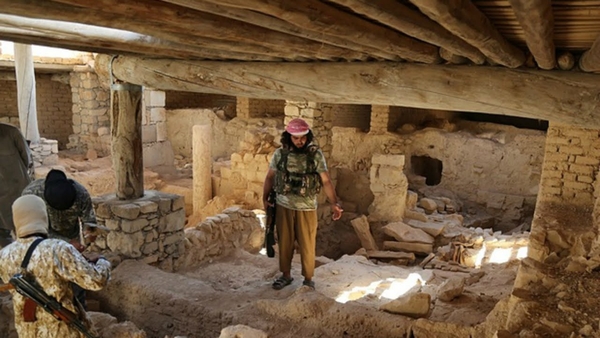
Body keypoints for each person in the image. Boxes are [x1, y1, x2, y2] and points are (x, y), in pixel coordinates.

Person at [0, 194, 111, 338]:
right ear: (43, 216)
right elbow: (97, 280)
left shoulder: (4, 255)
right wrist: (102, 261)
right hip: (63, 332)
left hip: (28, 333)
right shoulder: (57, 248)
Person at [263, 118, 343, 290]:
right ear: (288, 137)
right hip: (283, 205)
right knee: (285, 242)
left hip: (306, 208)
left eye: (303, 138)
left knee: (307, 243)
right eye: (296, 138)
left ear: (308, 137)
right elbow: (270, 177)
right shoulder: (280, 154)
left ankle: (308, 279)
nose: (300, 141)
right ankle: (286, 275)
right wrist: (264, 198)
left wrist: (334, 203)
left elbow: (326, 181)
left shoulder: (315, 155)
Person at [22, 169, 97, 251]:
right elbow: (33, 231)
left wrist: (89, 233)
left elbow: (89, 220)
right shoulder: (31, 195)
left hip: (72, 237)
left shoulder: (81, 194)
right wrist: (67, 242)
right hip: (43, 244)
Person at [0, 122, 33, 247]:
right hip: (18, 188)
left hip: (17, 189)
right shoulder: (12, 132)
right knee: (25, 229)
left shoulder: (12, 132)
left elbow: (26, 158)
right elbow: (27, 158)